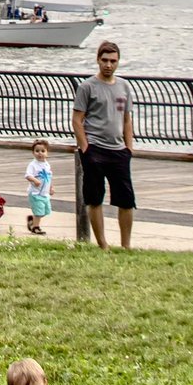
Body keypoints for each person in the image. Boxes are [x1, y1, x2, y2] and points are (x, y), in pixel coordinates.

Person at [71, 41, 135, 249]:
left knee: (126, 200)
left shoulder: (124, 86)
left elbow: (126, 119)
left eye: (113, 61)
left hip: (119, 151)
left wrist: (129, 148)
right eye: (105, 60)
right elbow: (77, 120)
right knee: (94, 198)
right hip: (95, 149)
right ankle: (103, 245)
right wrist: (85, 148)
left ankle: (126, 246)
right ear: (98, 60)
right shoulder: (87, 87)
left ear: (118, 62)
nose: (108, 65)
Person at [25, 139, 54, 235]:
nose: (40, 153)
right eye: (37, 151)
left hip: (45, 193)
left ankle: (32, 221)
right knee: (38, 212)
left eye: (43, 151)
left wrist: (51, 187)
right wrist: (34, 180)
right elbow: (28, 175)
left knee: (46, 211)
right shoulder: (33, 165)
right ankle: (35, 228)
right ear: (33, 153)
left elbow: (49, 177)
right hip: (35, 193)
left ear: (47, 152)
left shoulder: (46, 164)